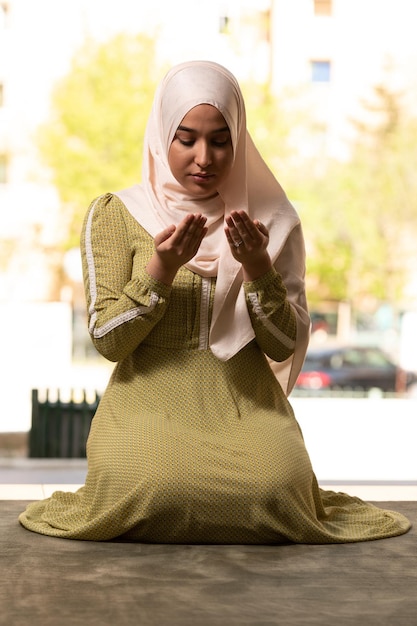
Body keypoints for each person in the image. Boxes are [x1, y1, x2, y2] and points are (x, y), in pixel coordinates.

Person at [19, 60, 410, 543]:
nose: (204, 157)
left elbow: (283, 345)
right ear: (163, 135)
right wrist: (160, 271)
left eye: (220, 140)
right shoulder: (117, 214)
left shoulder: (271, 219)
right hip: (147, 401)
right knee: (149, 484)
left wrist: (258, 267)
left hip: (245, 401)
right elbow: (108, 341)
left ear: (239, 139)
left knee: (275, 489)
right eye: (186, 139)